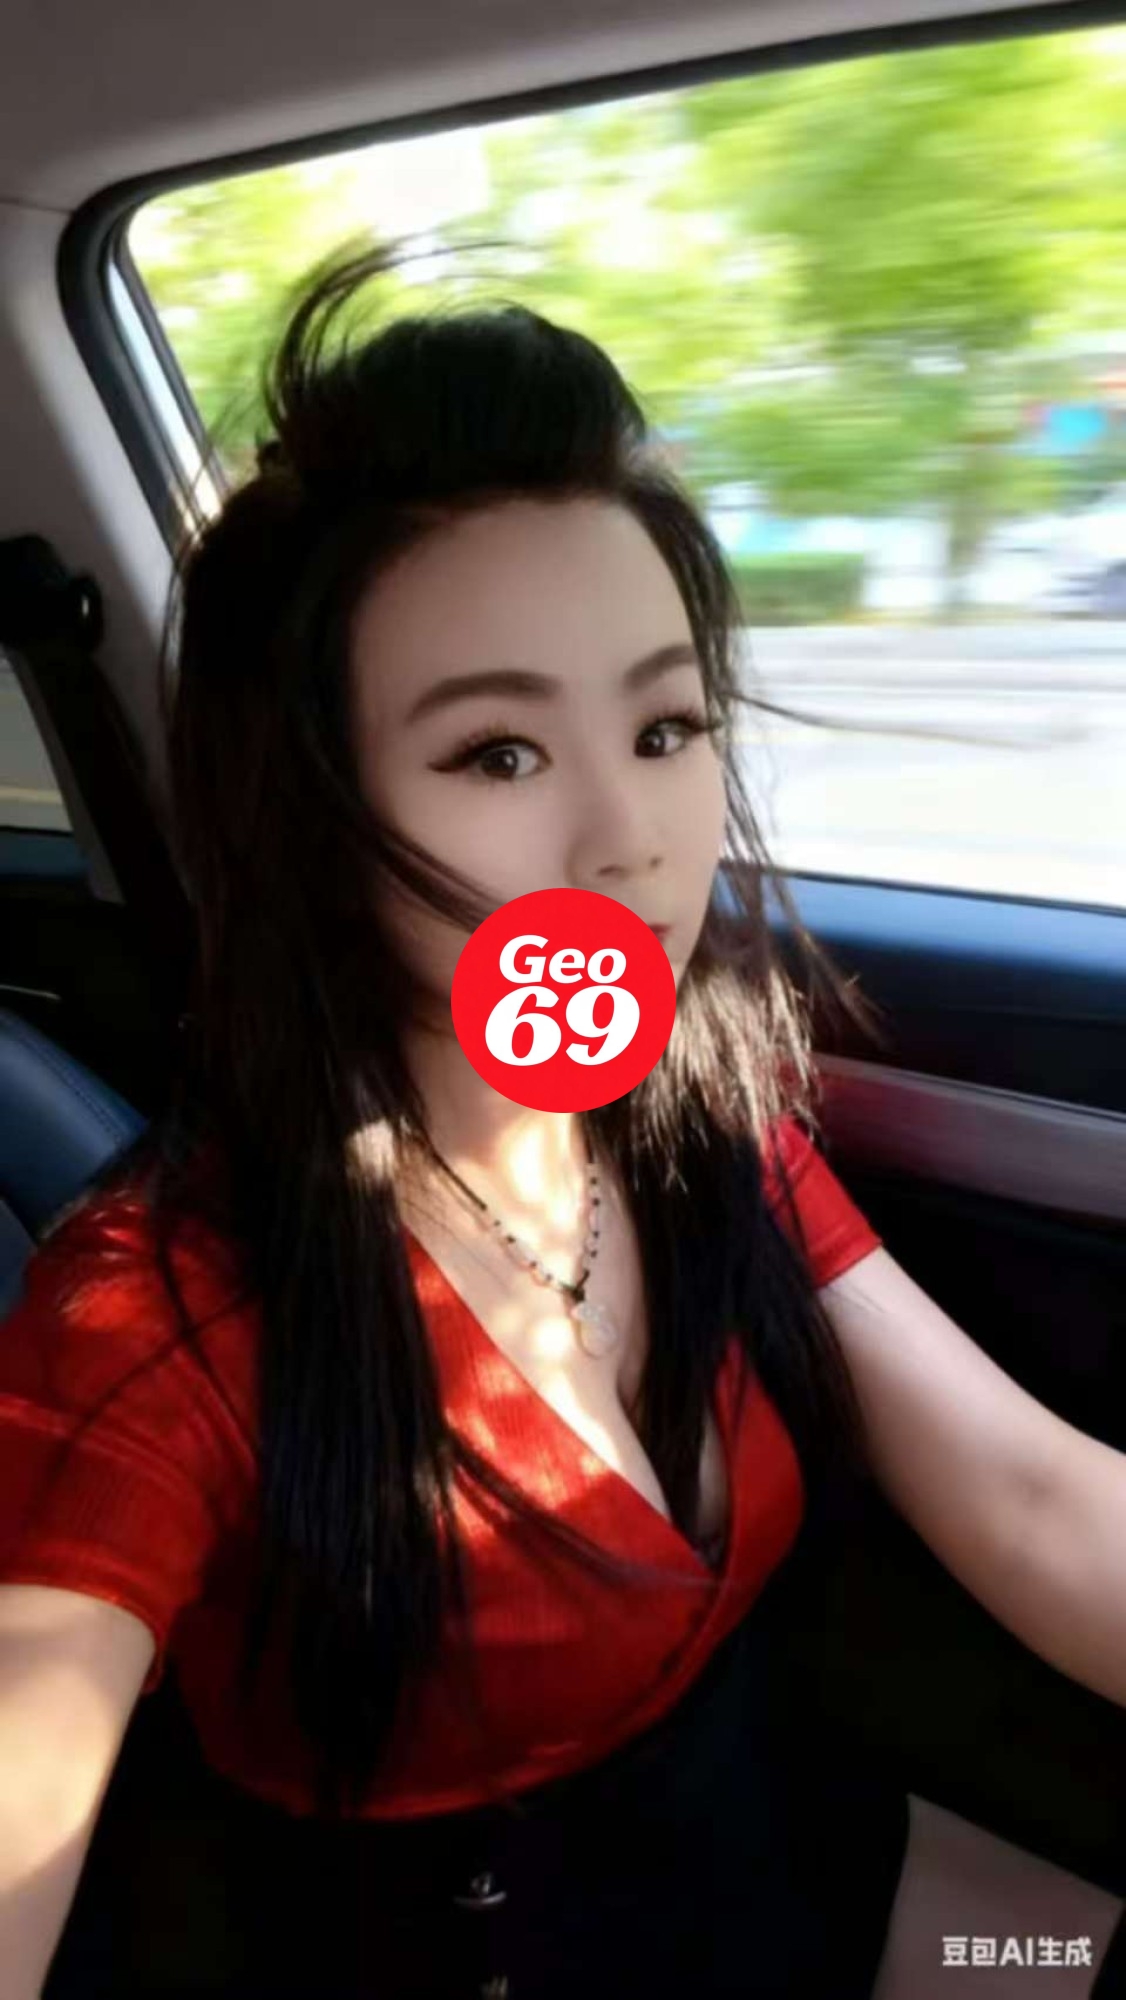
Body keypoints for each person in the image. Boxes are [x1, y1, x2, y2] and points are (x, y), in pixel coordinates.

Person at [1, 238, 1123, 2000]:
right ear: (308, 818)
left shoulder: (700, 1122)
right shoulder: (159, 1316)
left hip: (789, 1861)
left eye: (666, 725)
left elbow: (1031, 1494)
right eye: (498, 755)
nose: (628, 841)